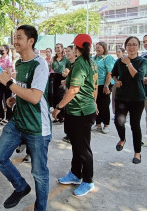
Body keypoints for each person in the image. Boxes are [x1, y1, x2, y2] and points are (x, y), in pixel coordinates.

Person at [0, 25, 50, 211]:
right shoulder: (19, 63)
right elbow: (24, 89)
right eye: (14, 37)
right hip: (17, 122)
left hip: (37, 127)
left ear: (31, 41)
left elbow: (34, 97)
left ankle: (40, 208)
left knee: (39, 173)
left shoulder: (40, 64)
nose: (14, 41)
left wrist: (8, 83)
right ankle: (21, 187)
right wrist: (14, 98)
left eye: (19, 38)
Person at [53, 34, 98, 197]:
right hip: (80, 110)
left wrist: (58, 107)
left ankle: (88, 181)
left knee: (83, 148)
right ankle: (75, 173)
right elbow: (94, 86)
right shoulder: (91, 62)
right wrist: (95, 103)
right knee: (77, 145)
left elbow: (74, 90)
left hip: (81, 111)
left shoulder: (81, 63)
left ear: (77, 48)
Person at [112, 37, 147, 164]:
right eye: (129, 45)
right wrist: (117, 81)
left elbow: (138, 77)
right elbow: (113, 73)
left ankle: (137, 153)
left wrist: (128, 63)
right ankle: (122, 139)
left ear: (138, 47)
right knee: (118, 121)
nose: (132, 47)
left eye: (135, 45)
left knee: (135, 125)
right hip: (122, 96)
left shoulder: (142, 61)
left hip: (137, 98)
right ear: (125, 46)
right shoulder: (119, 61)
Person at [92, 41, 115, 133]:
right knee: (96, 104)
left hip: (105, 84)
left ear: (104, 48)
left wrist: (106, 85)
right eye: (96, 47)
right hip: (96, 85)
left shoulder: (107, 58)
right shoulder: (94, 58)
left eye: (99, 47)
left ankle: (106, 125)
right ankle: (98, 124)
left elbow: (110, 72)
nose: (97, 49)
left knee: (104, 105)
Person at [61, 45, 77, 143]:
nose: (66, 53)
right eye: (66, 51)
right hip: (68, 92)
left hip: (74, 96)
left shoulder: (78, 64)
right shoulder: (69, 63)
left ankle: (73, 136)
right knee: (68, 115)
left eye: (69, 51)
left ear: (75, 52)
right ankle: (69, 134)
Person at [51, 43, 69, 122]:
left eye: (58, 47)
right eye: (55, 48)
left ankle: (63, 115)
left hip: (63, 78)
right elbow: (52, 68)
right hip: (55, 77)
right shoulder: (54, 59)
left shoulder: (66, 59)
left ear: (62, 48)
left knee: (61, 96)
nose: (57, 49)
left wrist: (65, 73)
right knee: (54, 96)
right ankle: (57, 116)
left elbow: (68, 68)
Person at [0, 44, 13, 125]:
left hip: (7, 82)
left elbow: (9, 71)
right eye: (1, 49)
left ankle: (8, 117)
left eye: (2, 49)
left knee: (7, 100)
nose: (1, 51)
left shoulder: (8, 59)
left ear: (7, 50)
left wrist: (3, 73)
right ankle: (1, 116)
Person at [112, 47, 125, 114]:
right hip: (116, 83)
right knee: (114, 98)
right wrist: (116, 81)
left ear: (123, 53)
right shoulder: (116, 61)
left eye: (119, 52)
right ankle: (115, 112)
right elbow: (113, 73)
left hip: (125, 84)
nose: (117, 53)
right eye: (117, 52)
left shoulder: (127, 61)